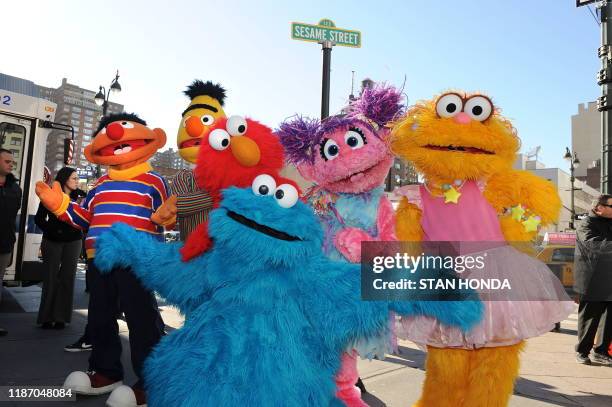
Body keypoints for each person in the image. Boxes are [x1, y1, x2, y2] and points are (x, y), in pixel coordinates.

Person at [36, 113, 171, 407]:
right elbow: (84, 218)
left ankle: (152, 381)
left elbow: (165, 217)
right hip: (99, 261)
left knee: (142, 321)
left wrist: (168, 217)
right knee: (99, 318)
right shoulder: (99, 185)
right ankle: (106, 371)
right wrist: (60, 205)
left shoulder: (154, 181)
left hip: (135, 260)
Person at [35, 167, 83, 329]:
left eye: (77, 178)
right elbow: (39, 218)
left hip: (74, 241)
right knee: (50, 278)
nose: (77, 181)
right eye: (74, 178)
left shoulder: (81, 197)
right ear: (64, 179)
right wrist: (51, 230)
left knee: (67, 279)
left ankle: (61, 317)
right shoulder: (51, 194)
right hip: (52, 241)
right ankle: (46, 318)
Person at [574, 194, 612, 365]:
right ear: (599, 207)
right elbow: (593, 245)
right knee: (590, 317)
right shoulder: (585, 224)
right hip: (592, 279)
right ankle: (582, 351)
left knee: (610, 317)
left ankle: (602, 351)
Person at [0, 148, 22, 337]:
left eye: (11, 162)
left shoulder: (15, 188)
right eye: (7, 161)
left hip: (4, 242)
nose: (11, 164)